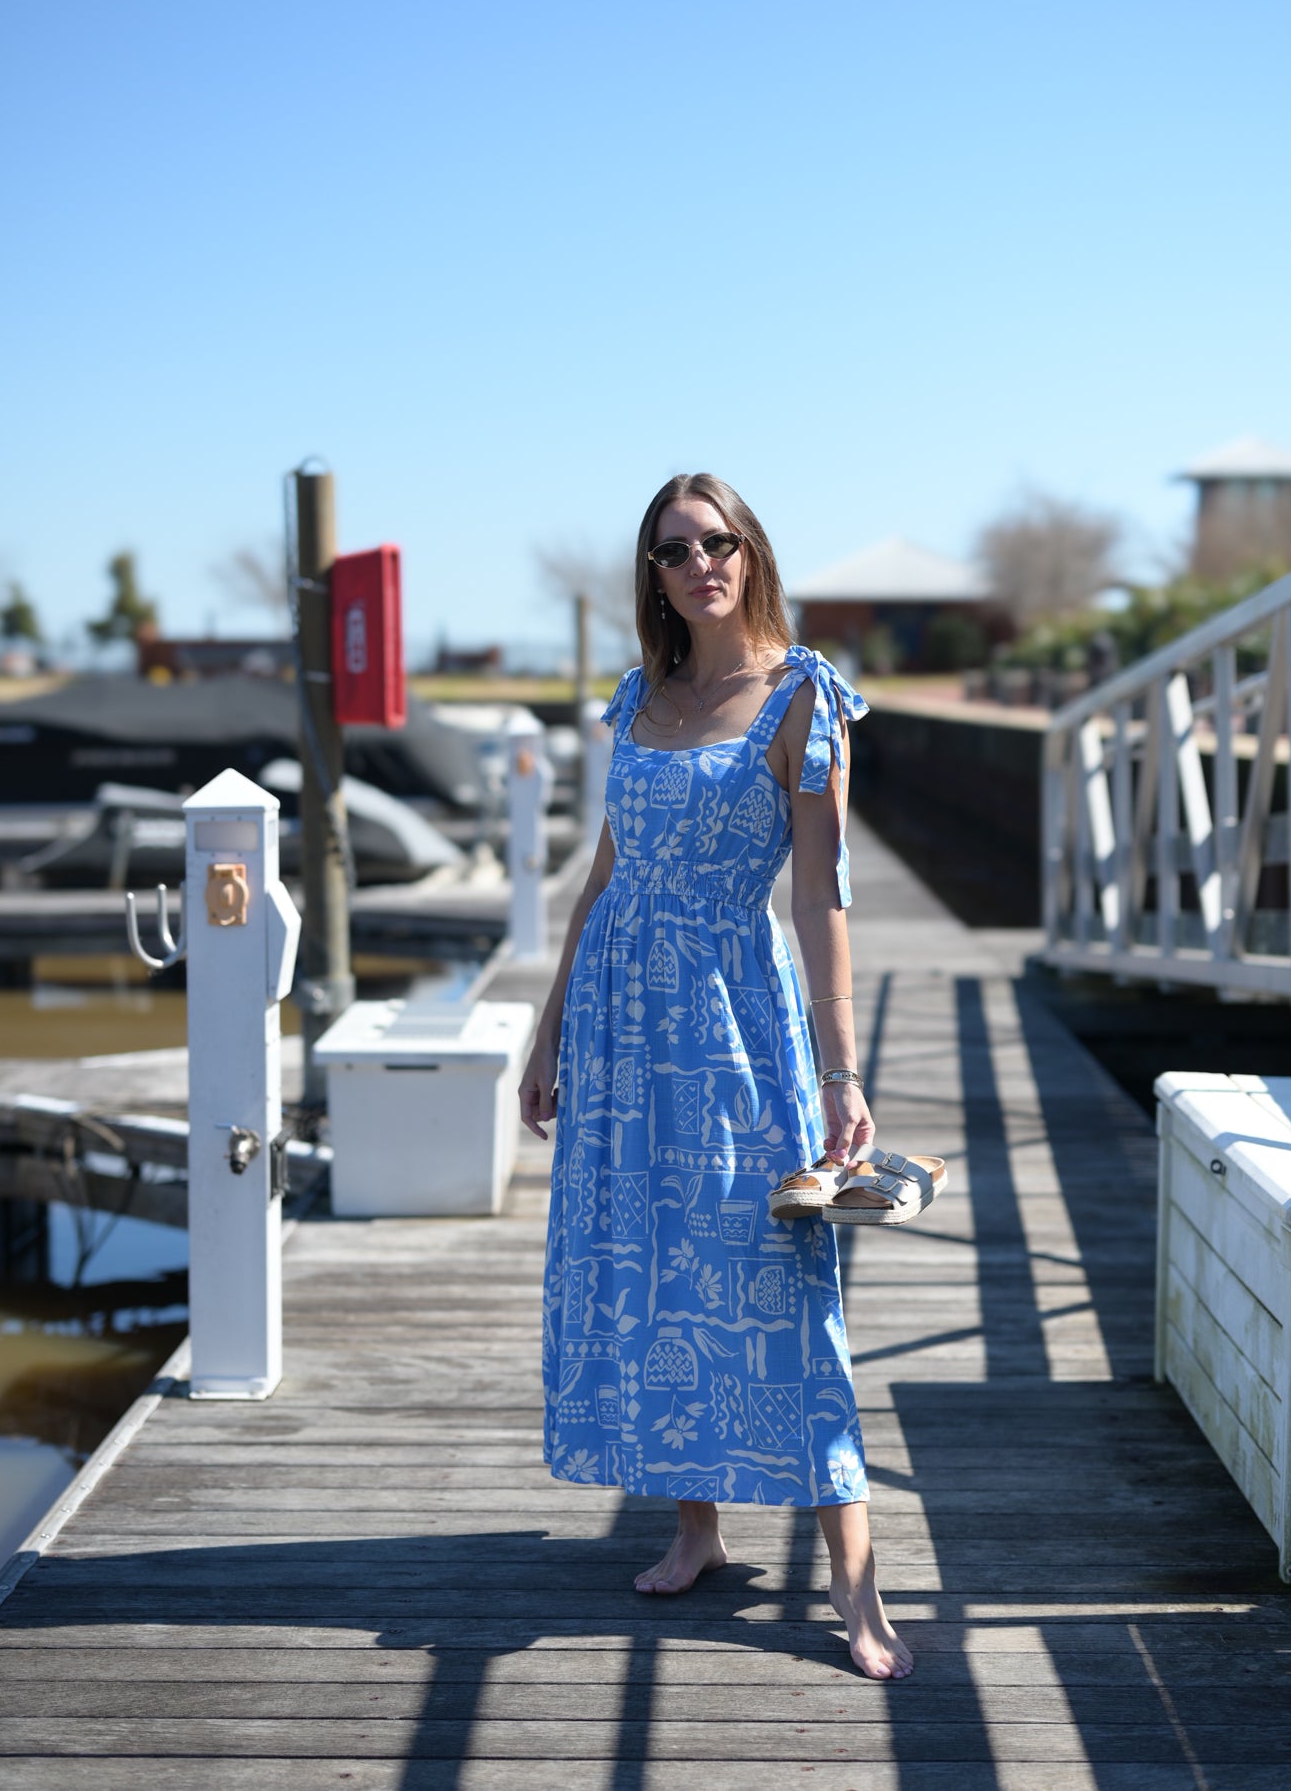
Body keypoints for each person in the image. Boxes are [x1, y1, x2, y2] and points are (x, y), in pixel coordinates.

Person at [519, 472, 925, 1681]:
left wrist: (844, 1073)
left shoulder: (803, 698)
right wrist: (549, 1033)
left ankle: (855, 1588)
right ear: (652, 574)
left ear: (751, 555)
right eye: (674, 549)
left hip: (735, 1024)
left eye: (719, 541)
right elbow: (602, 875)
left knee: (776, 1286)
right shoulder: (640, 695)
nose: (700, 562)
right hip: (620, 1021)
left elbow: (818, 895)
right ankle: (695, 1529)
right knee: (651, 1269)